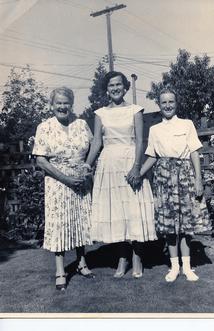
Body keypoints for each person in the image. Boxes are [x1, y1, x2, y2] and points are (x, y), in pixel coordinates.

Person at [83, 71, 156, 278]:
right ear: (107, 89)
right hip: (108, 165)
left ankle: (137, 258)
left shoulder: (135, 110)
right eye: (110, 85)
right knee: (117, 213)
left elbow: (141, 141)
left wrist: (136, 167)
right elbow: (97, 142)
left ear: (125, 88)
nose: (115, 88)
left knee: (134, 211)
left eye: (118, 85)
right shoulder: (100, 113)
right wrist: (87, 165)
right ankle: (122, 259)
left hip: (129, 161)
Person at [140, 86, 211, 282]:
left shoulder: (187, 124)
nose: (168, 105)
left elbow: (195, 152)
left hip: (185, 177)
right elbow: (152, 156)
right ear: (159, 105)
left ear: (176, 103)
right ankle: (174, 267)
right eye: (164, 102)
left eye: (171, 101)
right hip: (164, 179)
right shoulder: (154, 129)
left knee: (186, 225)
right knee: (170, 226)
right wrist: (137, 174)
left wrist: (198, 179)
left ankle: (187, 267)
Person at [32, 87, 95, 291]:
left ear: (71, 104)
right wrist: (66, 178)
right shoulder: (45, 127)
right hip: (57, 183)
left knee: (80, 221)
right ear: (52, 105)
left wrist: (87, 169)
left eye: (65, 103)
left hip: (81, 182)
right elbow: (41, 160)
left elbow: (95, 148)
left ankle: (82, 263)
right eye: (58, 103)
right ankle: (60, 270)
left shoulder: (82, 124)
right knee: (60, 223)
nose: (62, 106)